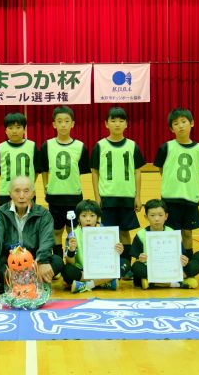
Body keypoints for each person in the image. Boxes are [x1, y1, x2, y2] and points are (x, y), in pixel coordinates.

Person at [0, 176, 64, 294]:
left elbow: (47, 241)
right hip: (8, 264)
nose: (21, 196)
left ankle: (12, 285)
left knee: (57, 261)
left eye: (26, 191)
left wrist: (42, 261)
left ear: (33, 193)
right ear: (10, 193)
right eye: (17, 191)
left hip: (33, 263)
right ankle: (29, 284)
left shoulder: (44, 214)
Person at [90, 107, 144, 277]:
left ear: (126, 124)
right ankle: (109, 266)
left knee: (125, 232)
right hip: (107, 197)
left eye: (121, 120)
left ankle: (126, 266)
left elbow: (137, 172)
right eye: (113, 120)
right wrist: (97, 197)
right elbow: (94, 172)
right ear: (106, 124)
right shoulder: (100, 145)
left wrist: (138, 196)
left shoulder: (132, 146)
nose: (117, 124)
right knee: (107, 233)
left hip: (127, 196)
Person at [153, 108, 199, 255]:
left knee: (188, 233)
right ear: (171, 128)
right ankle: (170, 260)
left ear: (192, 123)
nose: (181, 126)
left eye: (184, 122)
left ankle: (188, 260)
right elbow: (161, 169)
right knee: (171, 233)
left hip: (190, 197)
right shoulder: (166, 147)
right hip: (170, 198)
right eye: (176, 123)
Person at [40, 106, 90, 258]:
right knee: (56, 230)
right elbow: (44, 170)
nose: (63, 124)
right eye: (59, 121)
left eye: (67, 121)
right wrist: (46, 187)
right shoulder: (47, 145)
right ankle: (57, 259)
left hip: (74, 196)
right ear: (54, 124)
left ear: (72, 124)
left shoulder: (80, 146)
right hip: (55, 195)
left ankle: (72, 258)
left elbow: (82, 172)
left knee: (72, 230)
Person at [130, 199, 199, 289]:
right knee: (136, 267)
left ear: (166, 216)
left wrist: (184, 260)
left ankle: (155, 283)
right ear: (146, 217)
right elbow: (137, 258)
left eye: (160, 215)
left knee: (195, 266)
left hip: (171, 269)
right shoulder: (141, 235)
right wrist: (140, 258)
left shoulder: (172, 233)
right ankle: (177, 282)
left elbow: (181, 255)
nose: (156, 219)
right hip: (152, 269)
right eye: (152, 215)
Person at [63, 200, 123, 293]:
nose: (88, 219)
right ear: (78, 219)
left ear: (97, 218)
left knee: (122, 264)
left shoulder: (107, 233)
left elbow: (113, 258)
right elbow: (70, 262)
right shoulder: (73, 236)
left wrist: (119, 250)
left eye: (92, 216)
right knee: (67, 271)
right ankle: (103, 282)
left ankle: (87, 285)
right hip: (82, 270)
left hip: (102, 268)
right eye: (84, 216)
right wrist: (72, 250)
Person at [0, 112, 40, 206]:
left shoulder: (32, 146)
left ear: (24, 129)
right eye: (10, 128)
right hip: (5, 193)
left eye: (18, 127)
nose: (14, 131)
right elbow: (0, 172)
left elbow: (36, 171)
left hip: (27, 193)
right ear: (5, 130)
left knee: (27, 215)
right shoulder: (1, 147)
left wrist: (26, 185)